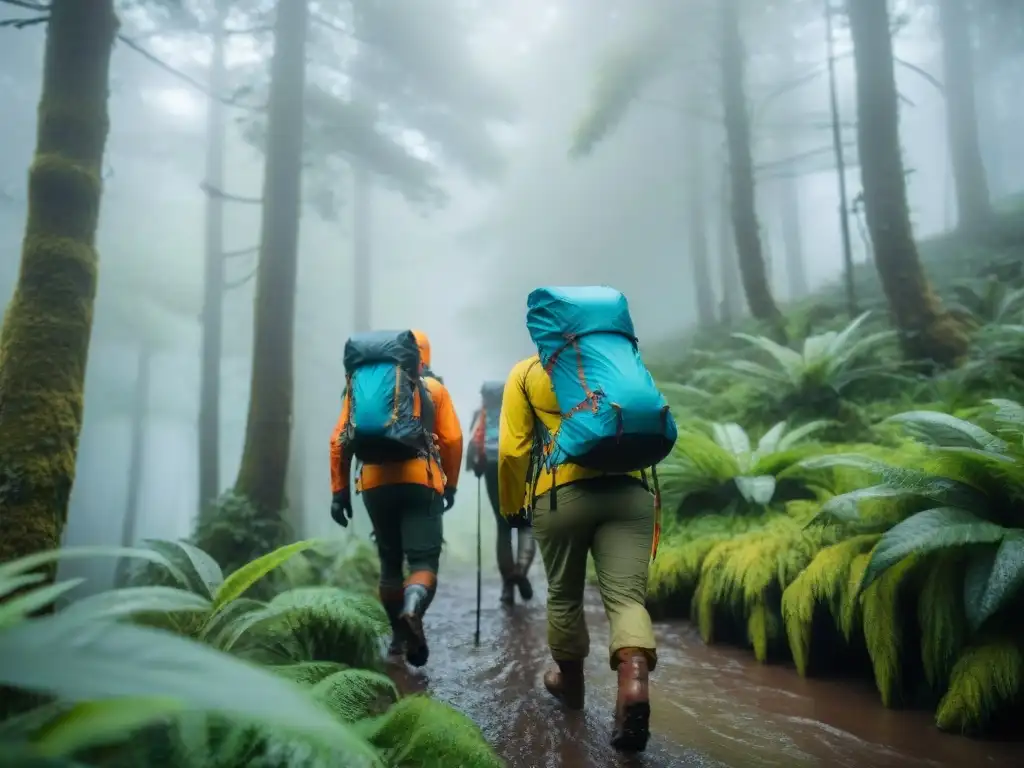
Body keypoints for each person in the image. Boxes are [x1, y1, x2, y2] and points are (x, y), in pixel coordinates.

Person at [497, 286, 677, 754]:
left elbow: (513, 449)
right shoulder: (621, 363)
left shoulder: (526, 373)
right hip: (629, 492)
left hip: (560, 497)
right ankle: (634, 684)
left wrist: (512, 503)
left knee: (564, 593)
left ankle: (570, 687)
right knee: (625, 598)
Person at [330, 328, 463, 668]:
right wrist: (450, 485)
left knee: (390, 563)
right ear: (424, 357)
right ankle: (412, 609)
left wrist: (339, 492)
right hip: (421, 480)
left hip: (374, 483)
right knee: (422, 563)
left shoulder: (356, 392)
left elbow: (339, 442)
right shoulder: (433, 390)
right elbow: (452, 440)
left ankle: (396, 641)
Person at [467, 381, 536, 605]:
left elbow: (471, 449)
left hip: (490, 468)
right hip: (519, 469)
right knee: (526, 523)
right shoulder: (522, 410)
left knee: (503, 525)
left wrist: (476, 467)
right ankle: (521, 571)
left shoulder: (481, 414)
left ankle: (508, 586)